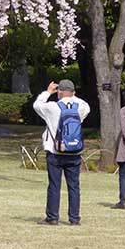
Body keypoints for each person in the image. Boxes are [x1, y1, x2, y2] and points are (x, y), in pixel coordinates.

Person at [33, 79, 90, 225]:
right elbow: (86, 106)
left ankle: (52, 217)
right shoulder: (80, 108)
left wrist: (47, 92)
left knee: (54, 185)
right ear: (73, 93)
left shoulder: (52, 107)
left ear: (59, 91)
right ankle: (74, 218)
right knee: (74, 186)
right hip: (74, 152)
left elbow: (37, 105)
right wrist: (72, 95)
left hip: (55, 151)